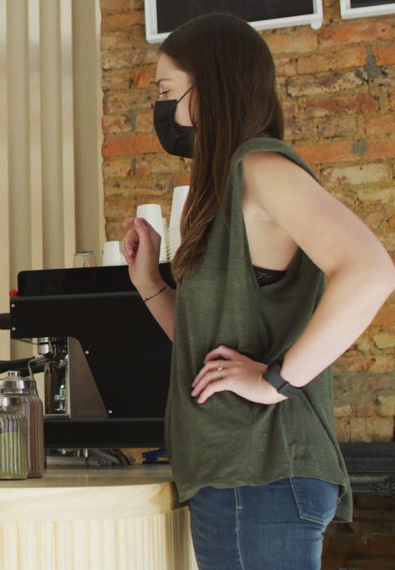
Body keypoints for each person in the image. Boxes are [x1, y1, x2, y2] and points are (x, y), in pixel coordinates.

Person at [122, 13, 395, 570]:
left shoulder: (260, 168)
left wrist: (275, 381)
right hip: (237, 475)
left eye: (166, 92)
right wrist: (150, 282)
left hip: (262, 475)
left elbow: (370, 270)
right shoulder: (225, 185)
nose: (161, 108)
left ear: (211, 88)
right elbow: (208, 349)